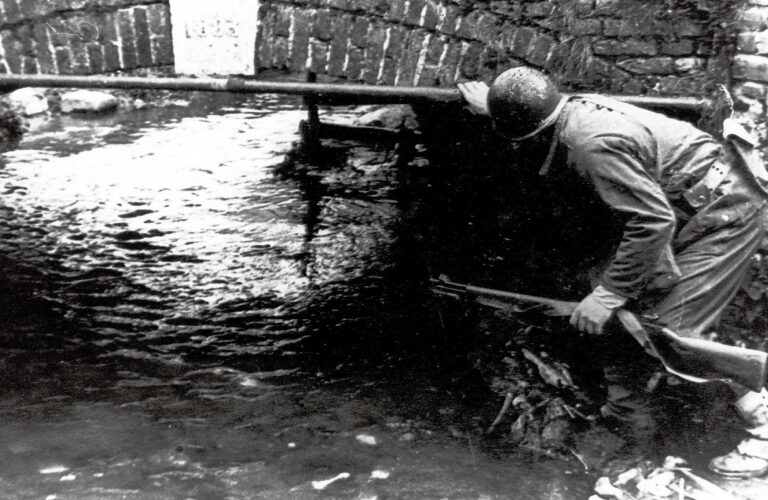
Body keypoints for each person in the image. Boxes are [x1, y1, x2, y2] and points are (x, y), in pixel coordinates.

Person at [458, 67, 768, 477]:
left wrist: (606, 296)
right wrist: (496, 106)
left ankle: (761, 423)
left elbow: (653, 222)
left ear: (528, 131)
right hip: (690, 202)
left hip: (725, 210)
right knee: (626, 301)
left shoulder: (589, 145)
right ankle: (625, 410)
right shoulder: (567, 110)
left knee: (670, 331)